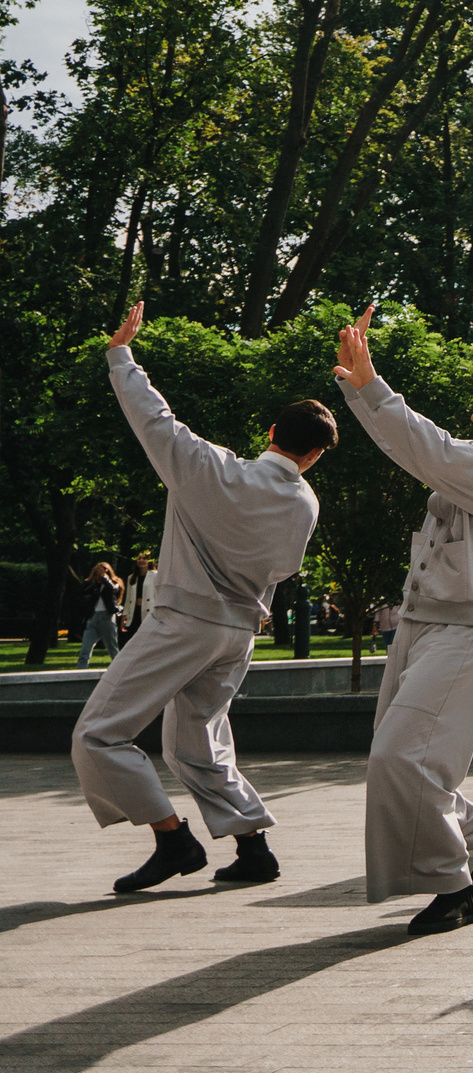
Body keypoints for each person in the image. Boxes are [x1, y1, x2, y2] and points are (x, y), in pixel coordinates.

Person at [72, 303, 335, 893]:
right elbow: (284, 568)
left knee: (98, 733)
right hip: (237, 632)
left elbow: (153, 418)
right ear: (315, 454)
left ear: (271, 433)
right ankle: (254, 848)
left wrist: (121, 354)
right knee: (196, 741)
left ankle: (172, 839)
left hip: (184, 621)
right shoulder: (305, 503)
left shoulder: (207, 468)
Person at [334, 306, 473, 936]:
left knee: (405, 761)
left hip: (465, 629)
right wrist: (359, 388)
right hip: (420, 624)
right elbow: (412, 448)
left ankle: (457, 886)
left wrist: (374, 385)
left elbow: (424, 448)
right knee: (402, 760)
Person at [73, 561, 124, 667]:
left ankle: (119, 670)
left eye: (99, 574)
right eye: (96, 574)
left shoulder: (115, 582)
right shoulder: (95, 586)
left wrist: (105, 578)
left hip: (107, 618)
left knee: (112, 650)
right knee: (85, 650)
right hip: (93, 619)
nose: (98, 577)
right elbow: (81, 592)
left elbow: (112, 590)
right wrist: (89, 578)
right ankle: (80, 673)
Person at [122, 554, 159, 634]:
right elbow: (128, 598)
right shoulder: (131, 577)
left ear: (149, 561)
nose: (141, 560)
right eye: (139, 558)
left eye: (144, 558)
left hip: (148, 610)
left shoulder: (155, 576)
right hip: (135, 611)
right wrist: (124, 616)